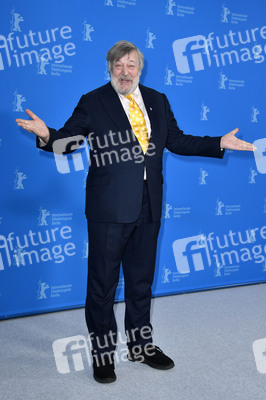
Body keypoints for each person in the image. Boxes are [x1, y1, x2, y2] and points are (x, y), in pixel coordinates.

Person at [16, 40, 256, 384]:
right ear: (109, 68)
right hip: (109, 207)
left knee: (141, 283)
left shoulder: (157, 100)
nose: (125, 72)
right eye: (118, 65)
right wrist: (46, 135)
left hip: (149, 203)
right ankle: (102, 355)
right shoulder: (93, 101)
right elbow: (69, 141)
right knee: (102, 285)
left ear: (139, 69)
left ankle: (141, 347)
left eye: (131, 65)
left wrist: (217, 141)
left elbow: (177, 140)